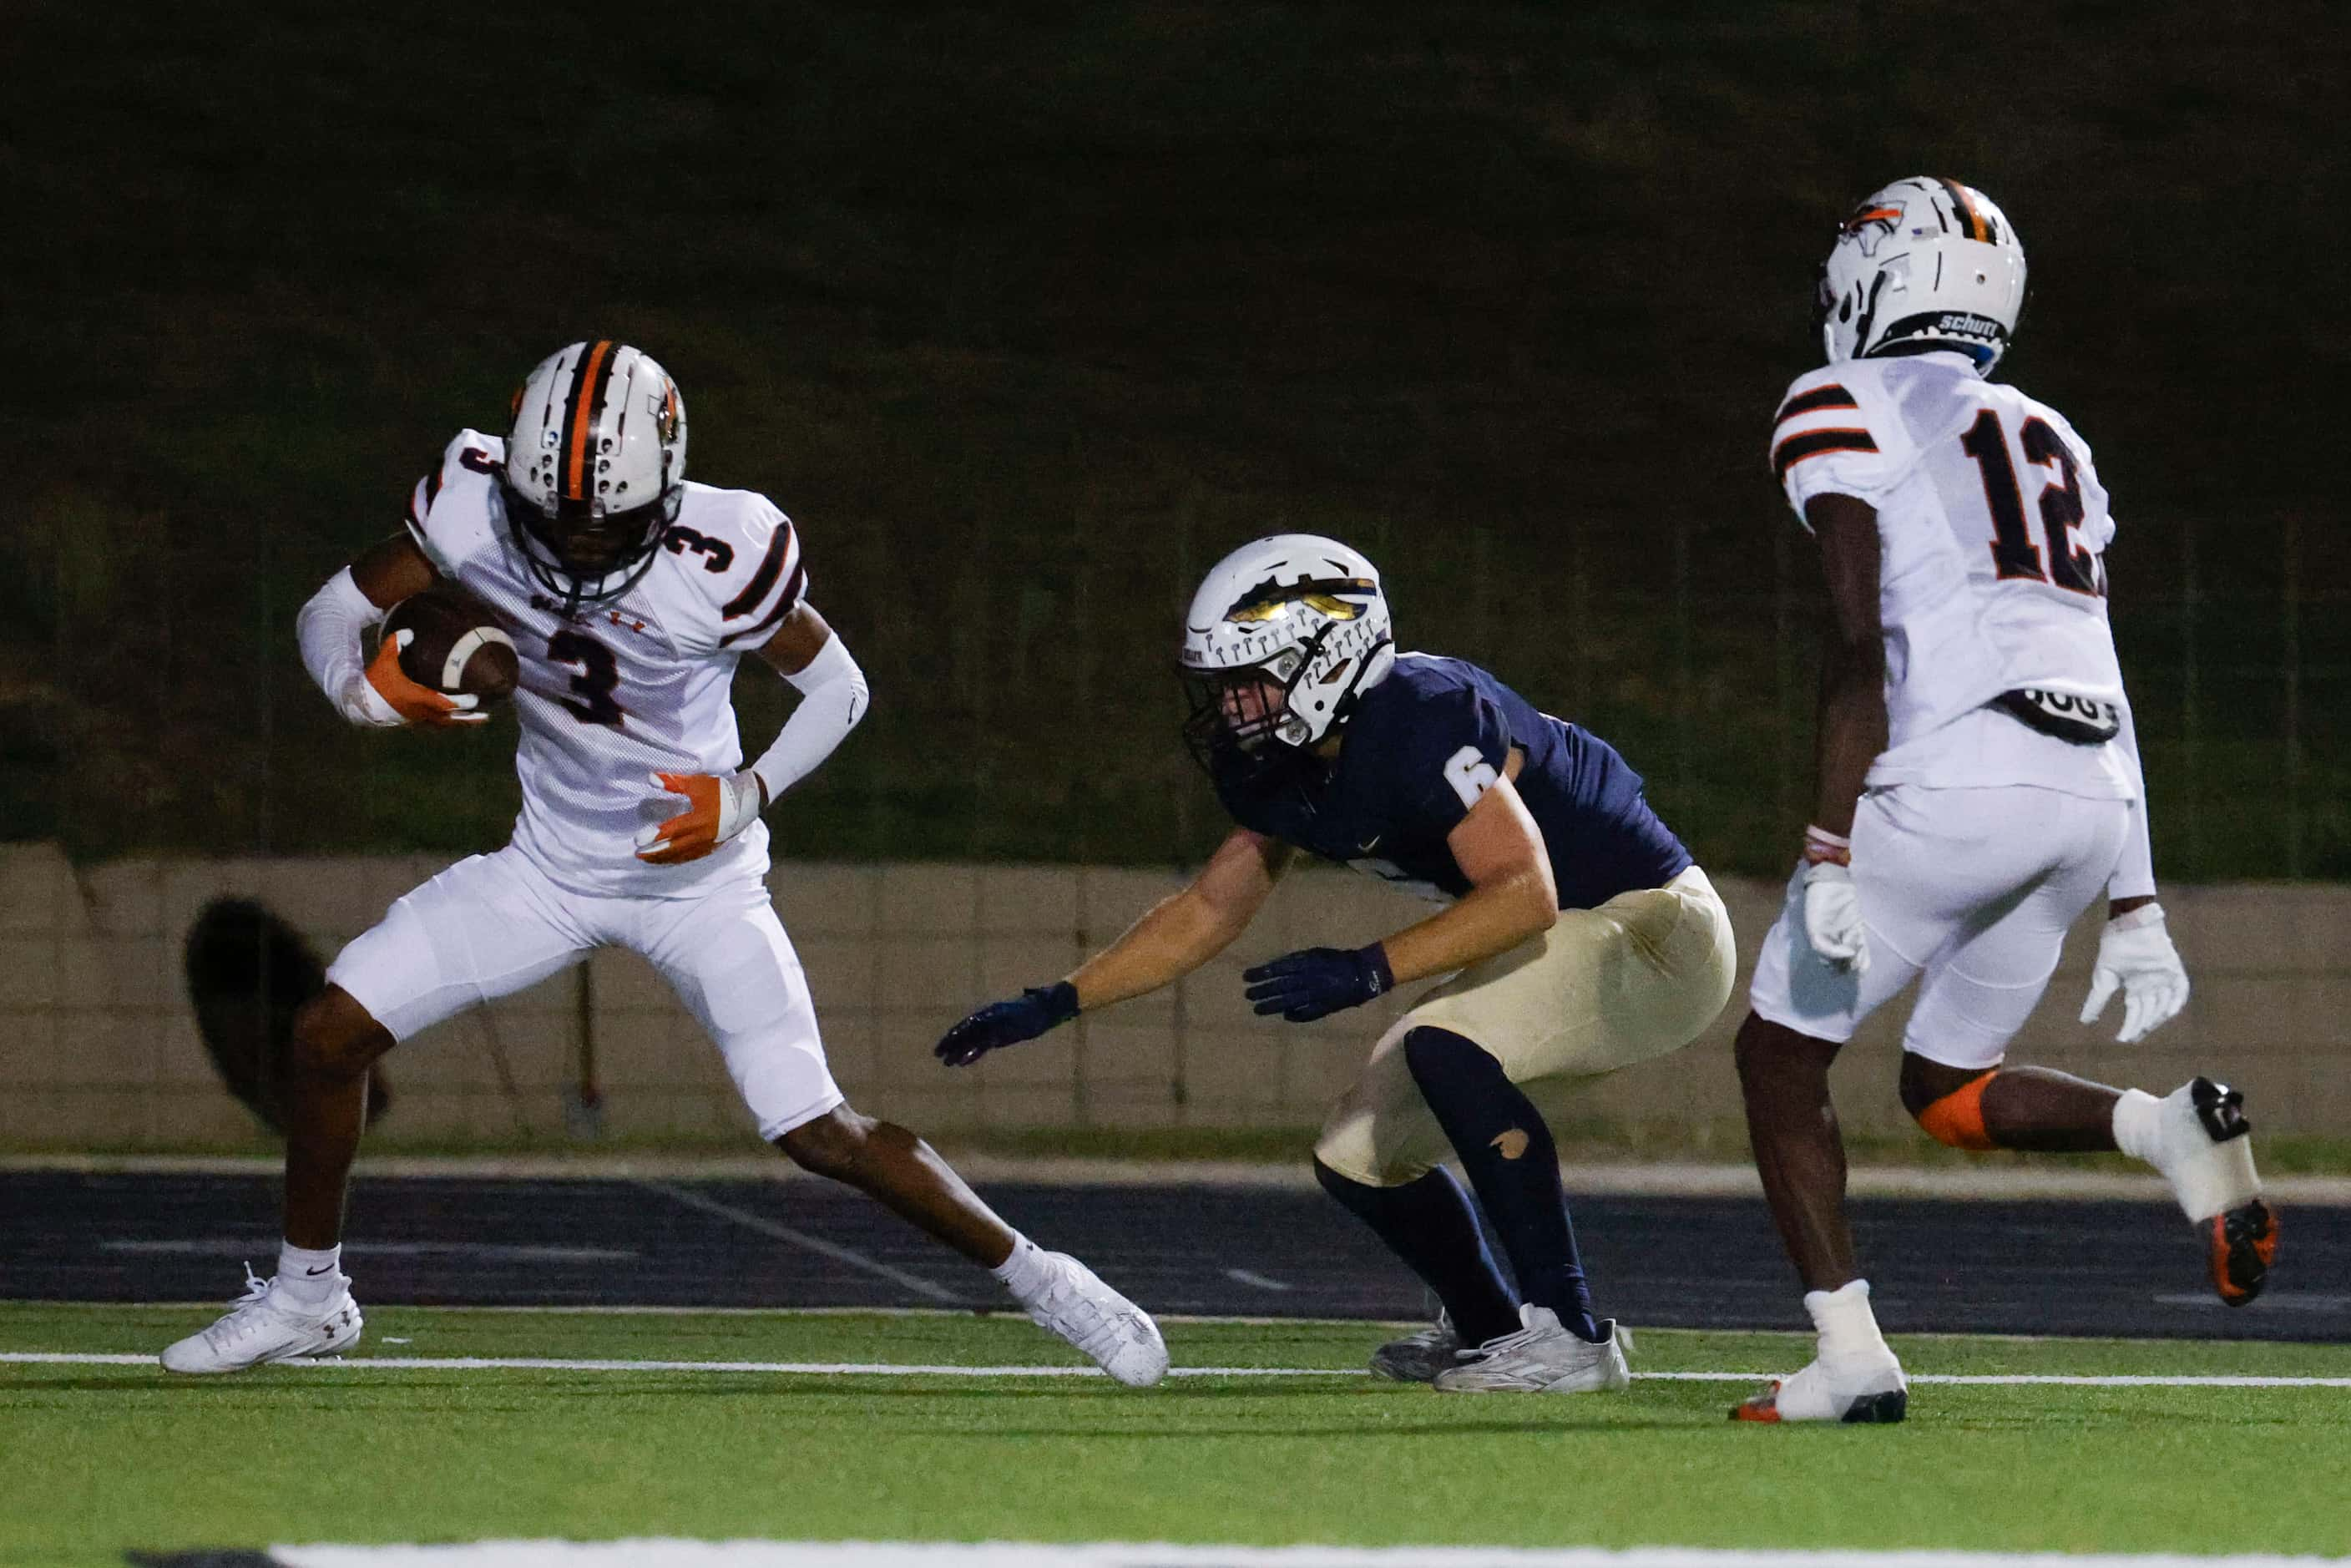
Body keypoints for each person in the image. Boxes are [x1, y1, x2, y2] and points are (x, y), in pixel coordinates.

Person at [159, 341, 1166, 1387]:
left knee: (820, 1131)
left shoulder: (724, 551)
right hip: (544, 872)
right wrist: (356, 693)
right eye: (557, 521)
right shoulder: (468, 503)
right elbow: (332, 609)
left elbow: (842, 690)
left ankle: (1048, 1281)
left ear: (666, 490)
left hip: (700, 882)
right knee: (327, 1037)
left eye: (611, 524)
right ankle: (308, 1297)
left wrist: (745, 793)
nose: (582, 550)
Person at [936, 535, 1737, 1393]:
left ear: (1329, 657)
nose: (1235, 706)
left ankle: (1570, 1335)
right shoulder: (1284, 766)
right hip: (1564, 938)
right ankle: (1490, 1330)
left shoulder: (1422, 715)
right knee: (1356, 1152)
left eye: (1254, 678)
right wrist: (1058, 1000)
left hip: (1653, 929)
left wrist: (1366, 970)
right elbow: (1209, 907)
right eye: (1225, 685)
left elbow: (1522, 890)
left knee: (1445, 1044)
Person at [1730, 179, 2277, 1424]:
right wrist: (2134, 895)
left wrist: (1826, 850)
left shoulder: (1839, 398)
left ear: (1878, 280)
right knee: (1945, 1086)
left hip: (1959, 782)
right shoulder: (2054, 435)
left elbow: (1857, 645)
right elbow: (2098, 665)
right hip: (2085, 794)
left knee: (1778, 1057)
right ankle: (2164, 1128)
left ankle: (1851, 1355)